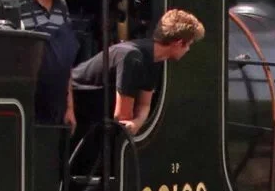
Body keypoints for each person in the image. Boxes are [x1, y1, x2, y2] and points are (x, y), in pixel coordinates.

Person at [0, 0, 85, 127]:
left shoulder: (61, 4)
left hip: (54, 115)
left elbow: (64, 61)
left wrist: (69, 107)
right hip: (16, 115)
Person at [72, 8, 205, 134]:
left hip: (91, 113)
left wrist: (137, 123)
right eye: (188, 44)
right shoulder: (132, 57)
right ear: (178, 43)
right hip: (72, 106)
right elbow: (122, 116)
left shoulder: (155, 60)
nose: (188, 50)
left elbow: (144, 104)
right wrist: (131, 123)